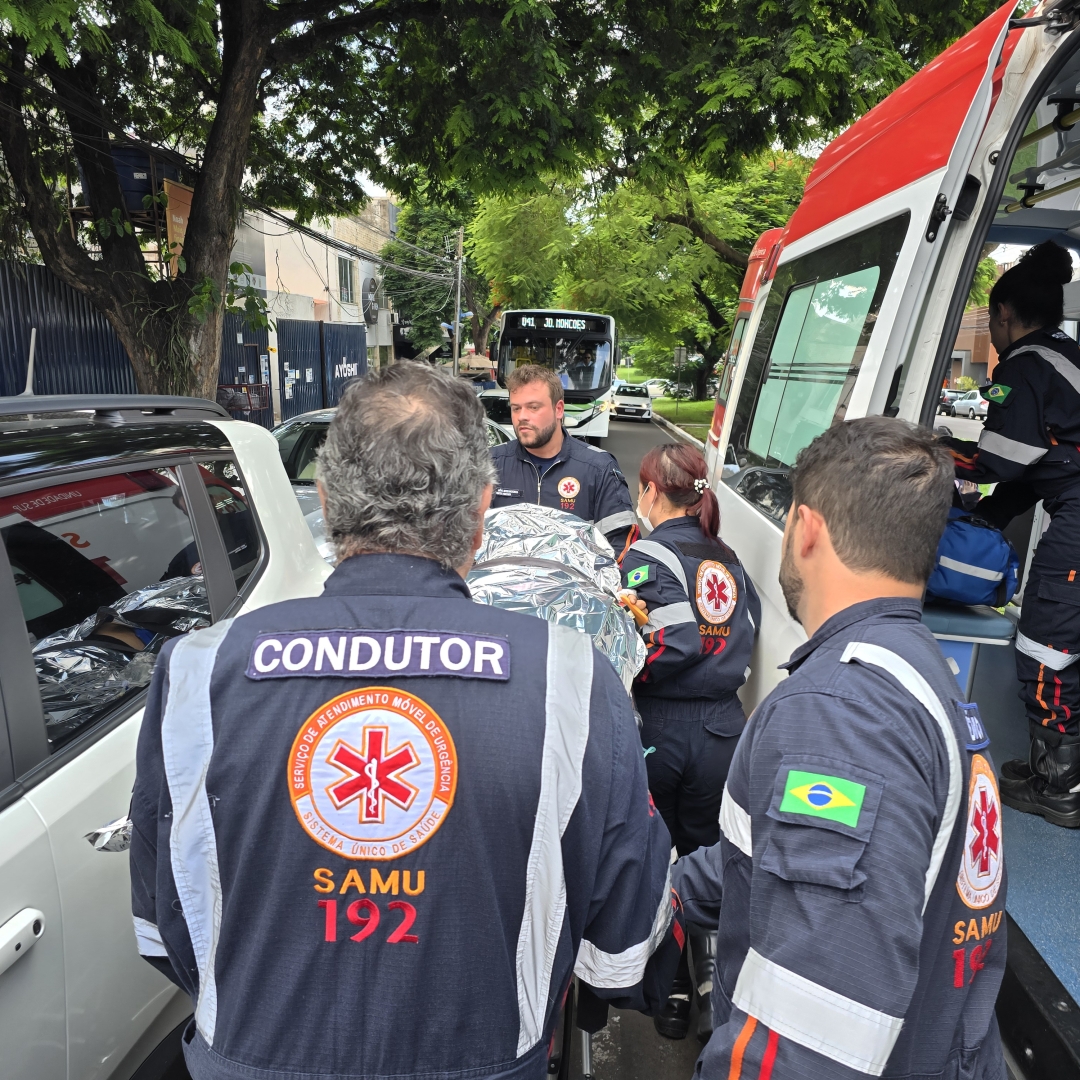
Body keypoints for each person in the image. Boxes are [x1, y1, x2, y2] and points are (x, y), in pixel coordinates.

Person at [128, 362, 684, 1080]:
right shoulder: (572, 681)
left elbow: (163, 928)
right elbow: (622, 953)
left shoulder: (199, 674)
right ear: (484, 512)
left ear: (325, 503)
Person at [675, 417, 1007, 1079]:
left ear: (805, 528)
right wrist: (666, 895)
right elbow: (781, 855)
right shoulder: (919, 672)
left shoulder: (840, 716)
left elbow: (812, 1040)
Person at [620, 443, 760, 1041]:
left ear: (653, 490)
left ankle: (668, 992)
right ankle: (713, 988)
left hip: (663, 731)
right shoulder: (727, 557)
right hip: (723, 729)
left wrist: (626, 668)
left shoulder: (650, 552)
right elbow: (745, 639)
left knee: (658, 859)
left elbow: (673, 641)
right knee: (714, 862)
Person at [941, 241, 1080, 828]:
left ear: (1002, 315)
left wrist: (933, 452)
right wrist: (991, 518)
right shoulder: (1066, 354)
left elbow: (1000, 462)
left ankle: (1061, 785)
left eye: (994, 323)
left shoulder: (1023, 367)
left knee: (1048, 638)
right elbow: (1045, 464)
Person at [490, 364, 639, 556]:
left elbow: (622, 548)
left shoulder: (598, 469)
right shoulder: (491, 464)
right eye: (516, 408)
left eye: (533, 407)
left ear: (558, 409)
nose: (522, 417)